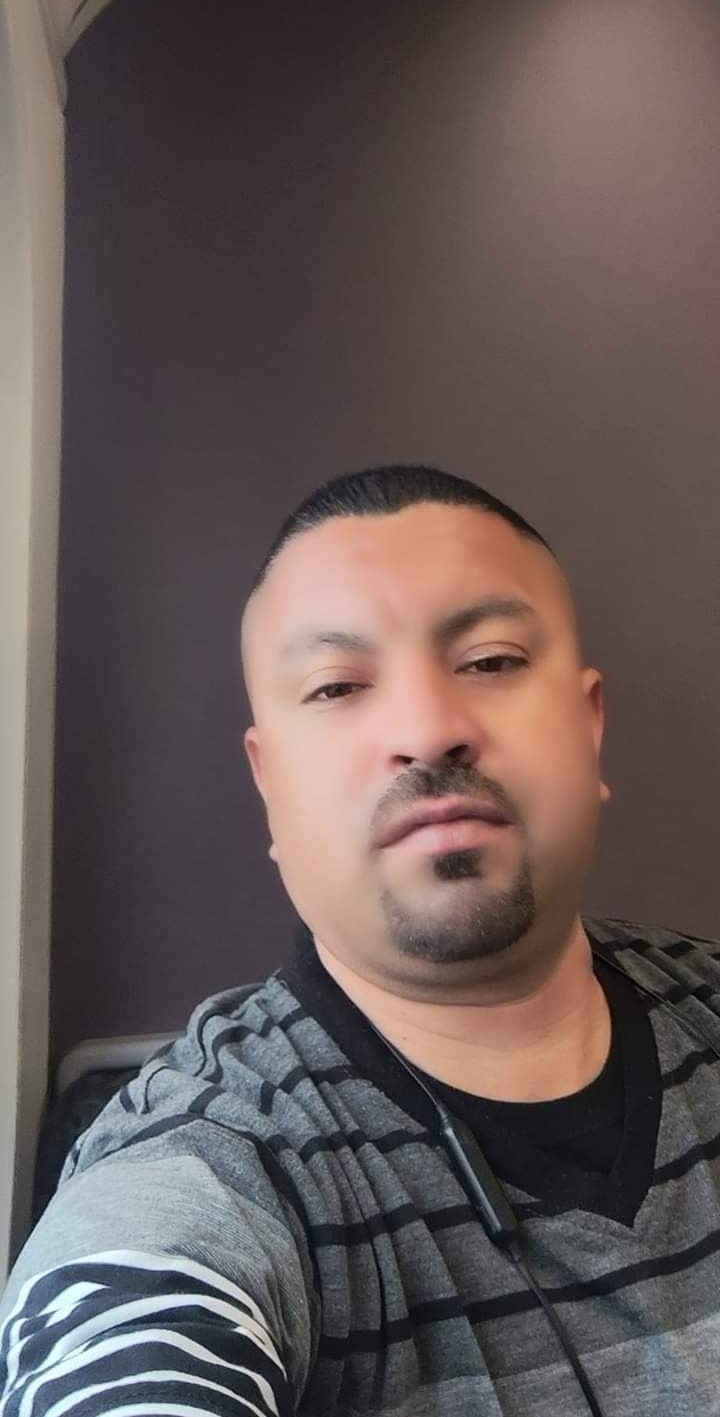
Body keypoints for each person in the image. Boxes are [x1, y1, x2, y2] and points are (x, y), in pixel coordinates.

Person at [2, 463, 720, 1417]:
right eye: (338, 684)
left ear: (590, 726)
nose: (427, 728)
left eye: (491, 660)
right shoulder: (206, 1159)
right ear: (270, 785)